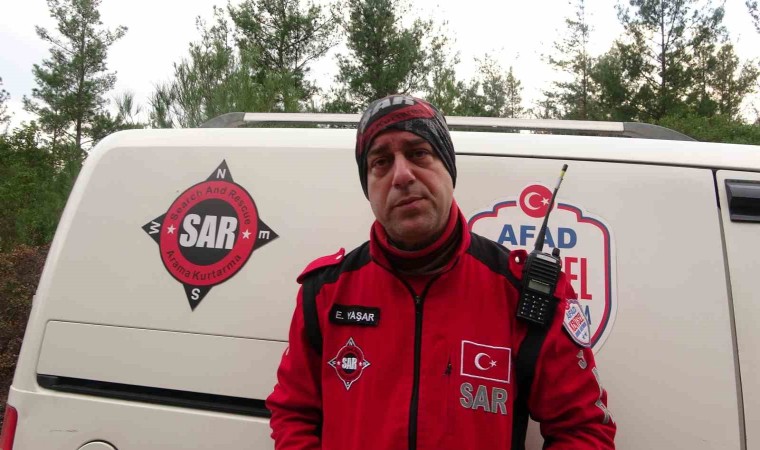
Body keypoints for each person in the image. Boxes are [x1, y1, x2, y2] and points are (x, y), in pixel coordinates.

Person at [266, 95, 616, 449]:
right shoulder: (325, 291)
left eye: (418, 153)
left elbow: (584, 430)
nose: (402, 175)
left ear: (449, 169)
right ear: (368, 187)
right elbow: (294, 413)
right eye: (381, 162)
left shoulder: (523, 290)